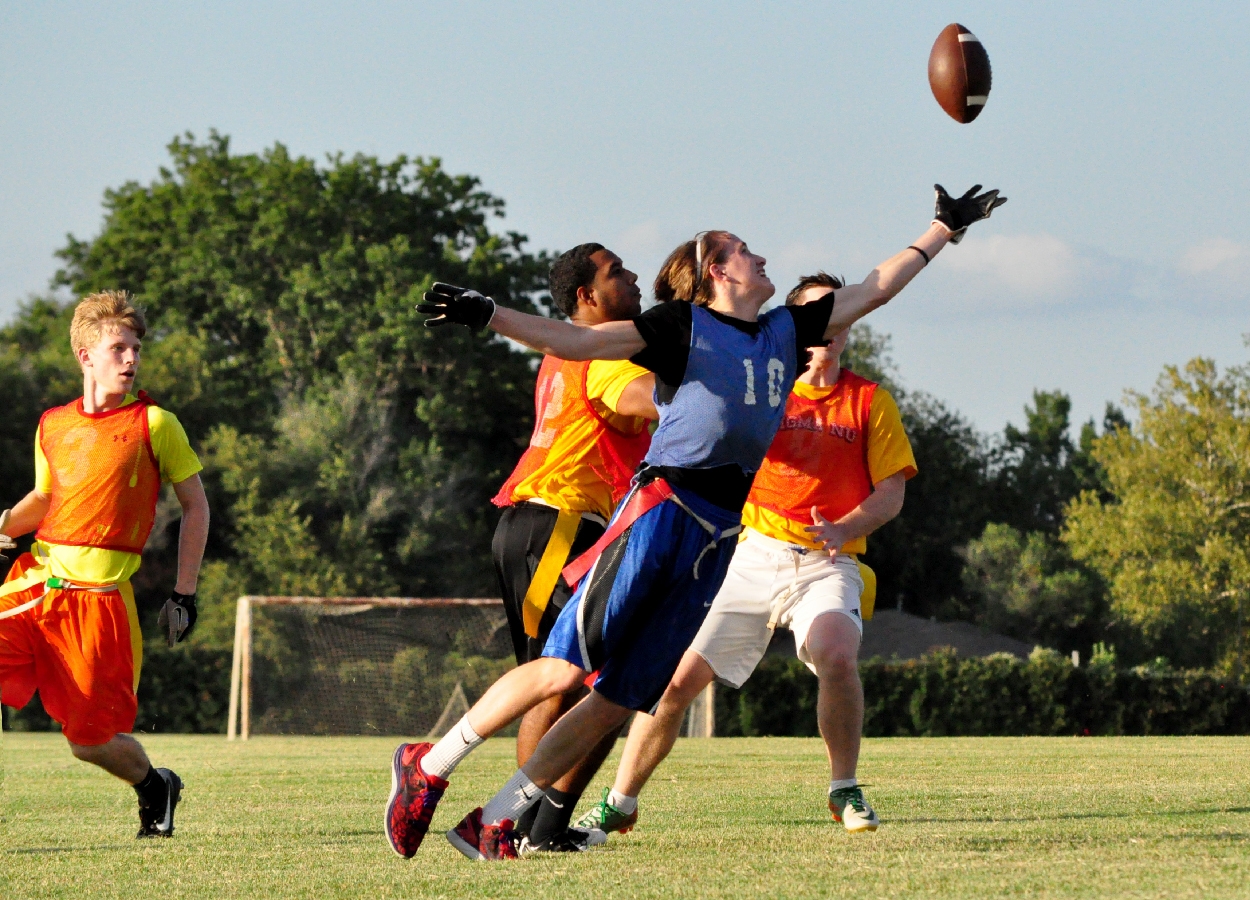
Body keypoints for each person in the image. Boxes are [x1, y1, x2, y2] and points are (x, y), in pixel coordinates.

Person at [385, 184, 1005, 861]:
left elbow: (878, 288)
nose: (762, 256)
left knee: (619, 698)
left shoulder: (786, 330)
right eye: (746, 250)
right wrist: (487, 313)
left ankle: (497, 819)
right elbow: (571, 338)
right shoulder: (680, 328)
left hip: (718, 539)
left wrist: (943, 228)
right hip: (661, 514)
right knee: (563, 671)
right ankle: (430, 765)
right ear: (718, 270)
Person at [575, 271, 916, 839]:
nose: (826, 329)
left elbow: (892, 492)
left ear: (847, 327)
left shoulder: (869, 401)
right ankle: (619, 803)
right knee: (675, 680)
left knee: (836, 654)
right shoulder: (762, 388)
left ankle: (845, 789)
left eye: (836, 316)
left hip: (826, 563)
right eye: (815, 315)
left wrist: (847, 526)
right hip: (749, 554)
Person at [0, 291, 209, 839]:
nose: (131, 358)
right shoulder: (52, 425)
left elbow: (196, 506)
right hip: (37, 581)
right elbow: (45, 501)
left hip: (99, 605)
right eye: (118, 347)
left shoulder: (156, 424)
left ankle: (154, 785)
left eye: (136, 348)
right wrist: (2, 525)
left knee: (87, 742)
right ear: (85, 355)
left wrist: (184, 593)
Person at [486, 243, 657, 852]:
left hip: (537, 524)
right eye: (617, 273)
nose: (634, 275)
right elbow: (656, 403)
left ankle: (533, 826)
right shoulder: (606, 353)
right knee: (580, 681)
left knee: (566, 680)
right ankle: (514, 824)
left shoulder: (566, 348)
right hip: (560, 525)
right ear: (587, 297)